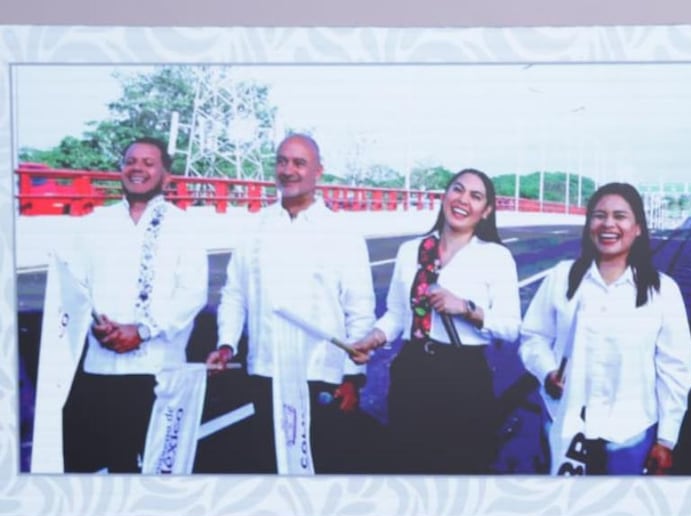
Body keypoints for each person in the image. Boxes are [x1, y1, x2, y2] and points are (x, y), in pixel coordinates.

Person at [206, 133, 376, 474]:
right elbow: (235, 294)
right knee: (269, 467)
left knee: (322, 469)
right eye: (282, 161)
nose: (289, 170)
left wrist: (353, 377)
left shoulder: (341, 232)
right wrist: (226, 344)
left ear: (318, 172)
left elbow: (359, 308)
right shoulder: (255, 228)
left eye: (299, 162)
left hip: (322, 377)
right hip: (265, 372)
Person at [348, 168, 520, 474]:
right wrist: (372, 338)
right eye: (457, 189)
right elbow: (397, 315)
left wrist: (467, 309)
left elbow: (509, 327)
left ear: (486, 211)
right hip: (413, 369)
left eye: (475, 196)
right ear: (445, 196)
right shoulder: (410, 251)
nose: (463, 199)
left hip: (465, 374)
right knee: (409, 463)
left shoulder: (495, 256)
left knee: (461, 469)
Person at [518, 182, 691, 475]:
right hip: (564, 426)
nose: (608, 224)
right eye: (599, 215)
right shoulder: (562, 277)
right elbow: (533, 338)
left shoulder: (663, 290)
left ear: (638, 227)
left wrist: (666, 440)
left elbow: (675, 370)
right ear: (589, 225)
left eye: (620, 216)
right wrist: (547, 370)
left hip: (630, 435)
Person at [61, 137, 208, 473]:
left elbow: (192, 293)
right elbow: (75, 287)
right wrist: (99, 326)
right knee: (108, 466)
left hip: (157, 369)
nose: (137, 168)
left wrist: (143, 330)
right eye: (130, 161)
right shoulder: (92, 226)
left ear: (166, 175)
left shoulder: (184, 227)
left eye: (148, 163)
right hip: (100, 366)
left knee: (154, 467)